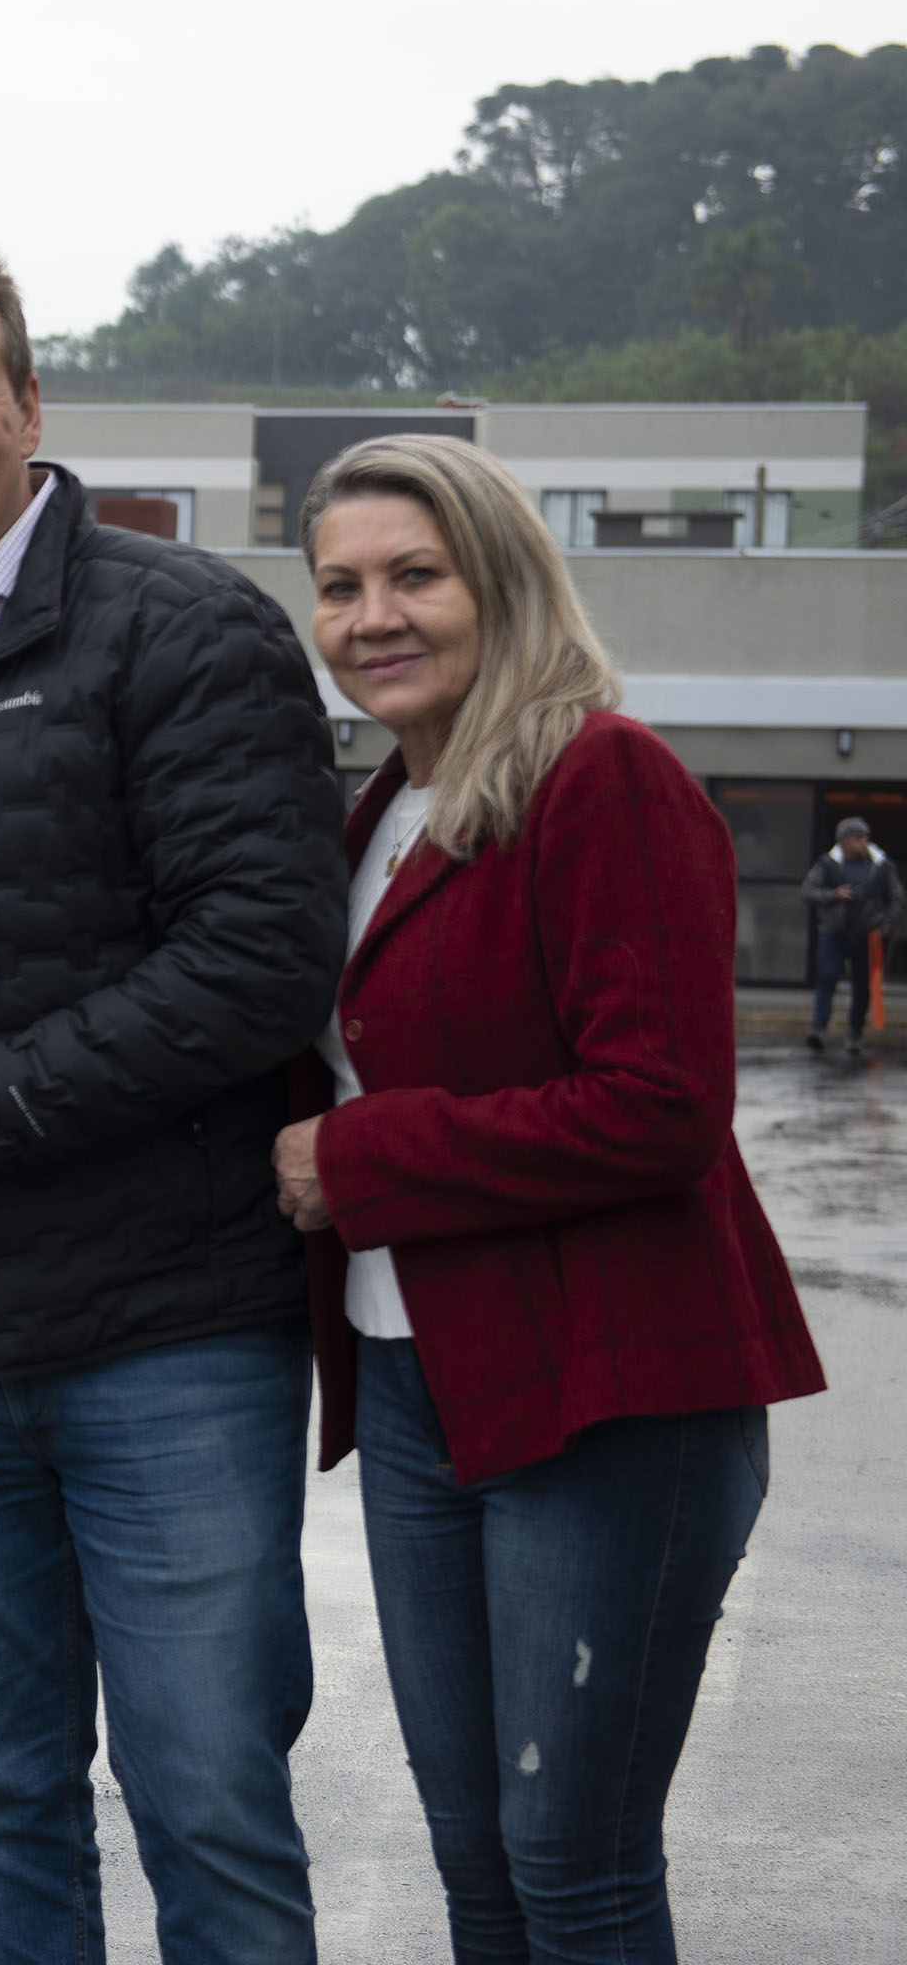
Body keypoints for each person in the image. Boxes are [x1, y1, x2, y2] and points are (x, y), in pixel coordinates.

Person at [0, 233, 348, 1962]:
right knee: (1, 1802)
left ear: (32, 403)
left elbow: (259, 959)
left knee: (210, 1804)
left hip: (165, 1340)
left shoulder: (185, 632)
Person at [273, 434, 826, 1962]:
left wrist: (359, 1162)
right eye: (339, 587)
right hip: (411, 1381)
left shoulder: (604, 777)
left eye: (413, 576)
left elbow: (658, 1110)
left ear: (500, 581)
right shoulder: (377, 813)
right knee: (476, 1859)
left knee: (571, 1862)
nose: (372, 615)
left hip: (609, 1394)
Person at [801, 815, 899, 1056]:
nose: (863, 842)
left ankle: (855, 1034)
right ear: (843, 840)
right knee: (827, 977)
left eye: (866, 837)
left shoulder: (881, 866)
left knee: (862, 987)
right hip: (833, 935)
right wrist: (834, 895)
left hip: (867, 936)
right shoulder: (827, 864)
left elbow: (897, 899)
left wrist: (885, 925)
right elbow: (808, 891)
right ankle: (819, 1030)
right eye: (858, 838)